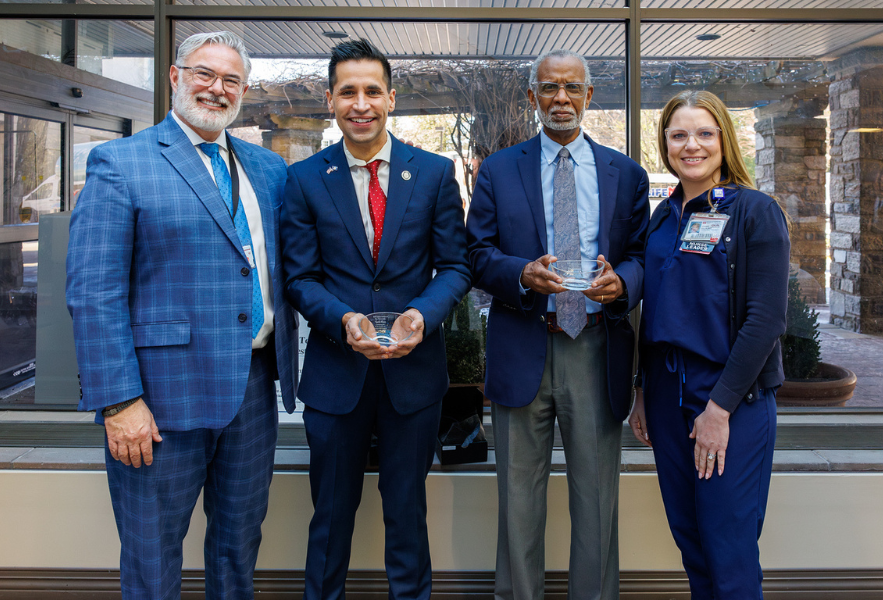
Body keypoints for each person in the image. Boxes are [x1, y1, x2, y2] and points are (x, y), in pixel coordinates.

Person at [66, 31, 300, 599]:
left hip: (252, 390)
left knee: (239, 546)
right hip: (158, 400)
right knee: (152, 556)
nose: (216, 90)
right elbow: (93, 292)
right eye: (204, 74)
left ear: (243, 91)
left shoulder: (269, 171)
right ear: (175, 77)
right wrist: (119, 400)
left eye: (231, 81)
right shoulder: (121, 162)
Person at [279, 39, 471, 600]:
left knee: (407, 519)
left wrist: (421, 313)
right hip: (337, 378)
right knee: (330, 520)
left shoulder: (434, 173)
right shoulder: (305, 179)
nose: (359, 103)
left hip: (414, 380)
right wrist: (343, 320)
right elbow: (299, 279)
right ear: (330, 101)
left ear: (391, 98)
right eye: (347, 92)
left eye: (371, 91)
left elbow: (456, 267)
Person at [466, 49, 649, 600]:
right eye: (549, 88)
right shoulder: (499, 169)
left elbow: (643, 256)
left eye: (572, 88)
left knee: (596, 502)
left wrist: (624, 283)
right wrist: (521, 273)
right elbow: (475, 254)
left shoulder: (628, 173)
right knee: (518, 501)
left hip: (595, 347)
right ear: (532, 98)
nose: (561, 99)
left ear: (590, 96)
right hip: (523, 343)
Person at [627, 90, 790, 599]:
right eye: (678, 135)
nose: (690, 145)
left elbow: (765, 321)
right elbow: (655, 312)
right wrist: (641, 390)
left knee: (729, 548)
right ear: (665, 144)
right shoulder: (661, 218)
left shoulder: (755, 212)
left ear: (724, 139)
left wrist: (719, 409)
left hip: (729, 397)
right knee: (692, 543)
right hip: (665, 395)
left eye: (704, 133)